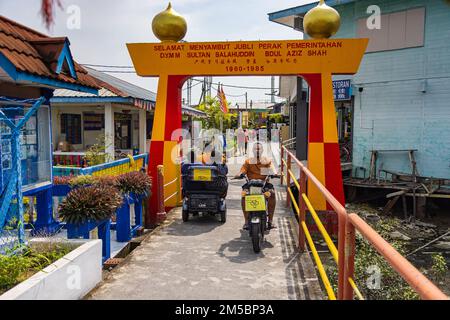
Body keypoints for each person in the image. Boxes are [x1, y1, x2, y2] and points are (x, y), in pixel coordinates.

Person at [234, 142, 277, 230]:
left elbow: (272, 169)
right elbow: (242, 170)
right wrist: (239, 174)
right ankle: (246, 221)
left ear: (262, 150)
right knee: (244, 195)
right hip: (251, 184)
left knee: (272, 193)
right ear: (252, 151)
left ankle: (270, 221)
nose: (257, 150)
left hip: (264, 184)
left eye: (259, 149)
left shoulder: (267, 161)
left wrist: (274, 173)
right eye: (255, 149)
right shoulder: (248, 161)